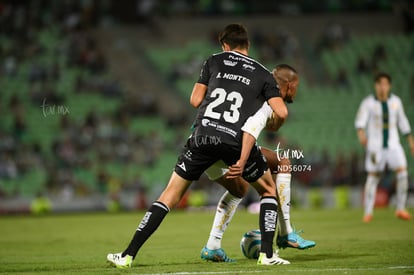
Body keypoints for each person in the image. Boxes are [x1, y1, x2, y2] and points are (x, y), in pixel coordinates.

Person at [107, 23, 290, 268]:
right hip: (235, 139)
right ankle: (267, 255)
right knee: (267, 190)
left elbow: (195, 100)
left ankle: (127, 255)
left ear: (224, 45)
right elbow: (281, 111)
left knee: (169, 196)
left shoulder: (213, 61)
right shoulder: (263, 73)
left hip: (203, 136)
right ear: (247, 45)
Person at [200, 65, 316, 263]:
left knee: (239, 189)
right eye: (297, 86)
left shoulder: (252, 87)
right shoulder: (268, 96)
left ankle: (212, 246)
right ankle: (285, 233)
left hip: (204, 143)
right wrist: (243, 159)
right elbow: (254, 128)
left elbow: (268, 124)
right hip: (232, 145)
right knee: (282, 164)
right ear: (290, 85)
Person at [355, 72, 414, 223]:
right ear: (376, 86)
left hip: (394, 145)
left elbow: (403, 122)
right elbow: (360, 121)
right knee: (373, 177)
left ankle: (400, 208)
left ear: (389, 86)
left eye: (385, 84)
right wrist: (361, 135)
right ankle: (368, 212)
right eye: (380, 84)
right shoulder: (368, 103)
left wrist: (411, 141)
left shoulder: (396, 102)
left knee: (402, 173)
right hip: (375, 147)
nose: (382, 87)